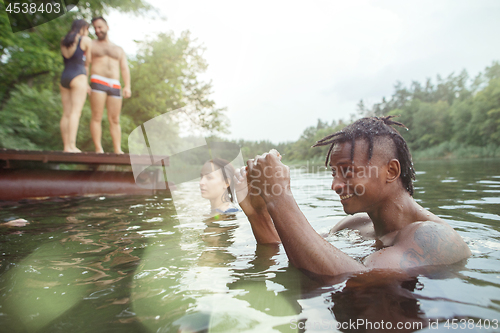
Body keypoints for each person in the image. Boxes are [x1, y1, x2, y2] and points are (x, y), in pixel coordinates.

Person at [235, 116, 471, 278]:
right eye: (334, 173)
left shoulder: (434, 236)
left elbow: (359, 277)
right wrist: (260, 214)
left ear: (391, 171)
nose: (335, 185)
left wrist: (281, 199)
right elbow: (298, 249)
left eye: (348, 171)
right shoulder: (354, 226)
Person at [89, 16, 131, 154]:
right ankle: (98, 149)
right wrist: (85, 82)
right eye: (95, 28)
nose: (97, 30)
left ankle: (118, 149)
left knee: (115, 119)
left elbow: (124, 68)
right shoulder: (91, 44)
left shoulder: (118, 49)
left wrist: (127, 86)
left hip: (115, 84)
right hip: (97, 81)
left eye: (100, 27)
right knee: (97, 116)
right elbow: (85, 64)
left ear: (107, 27)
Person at [59, 19, 92, 153]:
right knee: (75, 112)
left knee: (66, 113)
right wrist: (86, 82)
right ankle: (72, 146)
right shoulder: (85, 40)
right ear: (83, 28)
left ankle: (66, 146)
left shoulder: (64, 40)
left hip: (65, 75)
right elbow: (87, 63)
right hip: (79, 76)